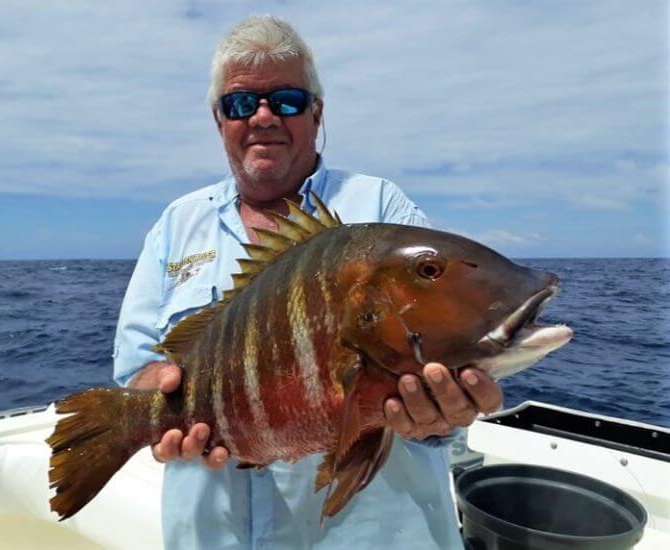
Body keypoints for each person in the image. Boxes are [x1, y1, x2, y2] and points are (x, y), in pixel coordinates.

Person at [113, 15, 503, 549]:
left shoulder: (378, 209)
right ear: (219, 119)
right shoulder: (177, 225)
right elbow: (137, 371)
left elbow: (437, 361)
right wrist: (157, 405)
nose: (264, 117)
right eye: (241, 104)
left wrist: (441, 419)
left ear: (317, 113)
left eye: (288, 100)